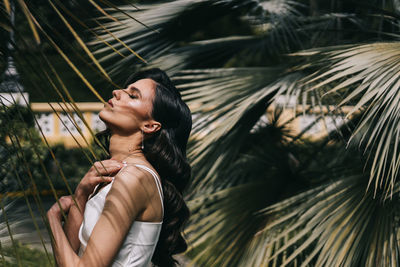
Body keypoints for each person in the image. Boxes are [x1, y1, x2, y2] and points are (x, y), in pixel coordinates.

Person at [47, 68, 192, 267]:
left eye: (133, 95)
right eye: (124, 89)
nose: (117, 92)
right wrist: (81, 195)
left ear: (150, 126)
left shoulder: (134, 178)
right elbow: (67, 260)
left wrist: (53, 219)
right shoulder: (114, 174)